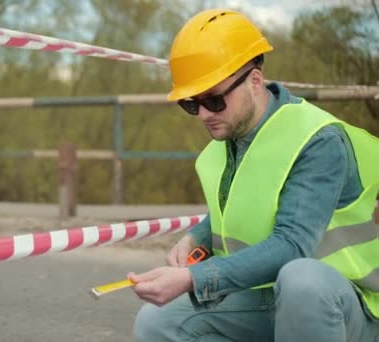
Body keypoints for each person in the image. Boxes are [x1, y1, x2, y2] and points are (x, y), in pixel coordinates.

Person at [128, 8, 379, 342]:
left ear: (255, 81)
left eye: (214, 100)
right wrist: (196, 238)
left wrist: (194, 278)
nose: (203, 114)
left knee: (302, 281)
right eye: (192, 104)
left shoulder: (318, 141)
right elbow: (243, 207)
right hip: (269, 296)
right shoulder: (226, 140)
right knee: (156, 322)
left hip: (348, 306)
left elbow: (292, 244)